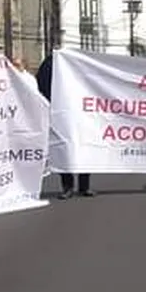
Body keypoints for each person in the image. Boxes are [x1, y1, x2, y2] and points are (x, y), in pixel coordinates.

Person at [35, 52, 94, 199]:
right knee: (64, 149)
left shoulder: (80, 65)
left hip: (81, 113)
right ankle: (67, 187)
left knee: (84, 148)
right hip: (60, 113)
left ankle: (84, 186)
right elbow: (41, 87)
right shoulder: (50, 65)